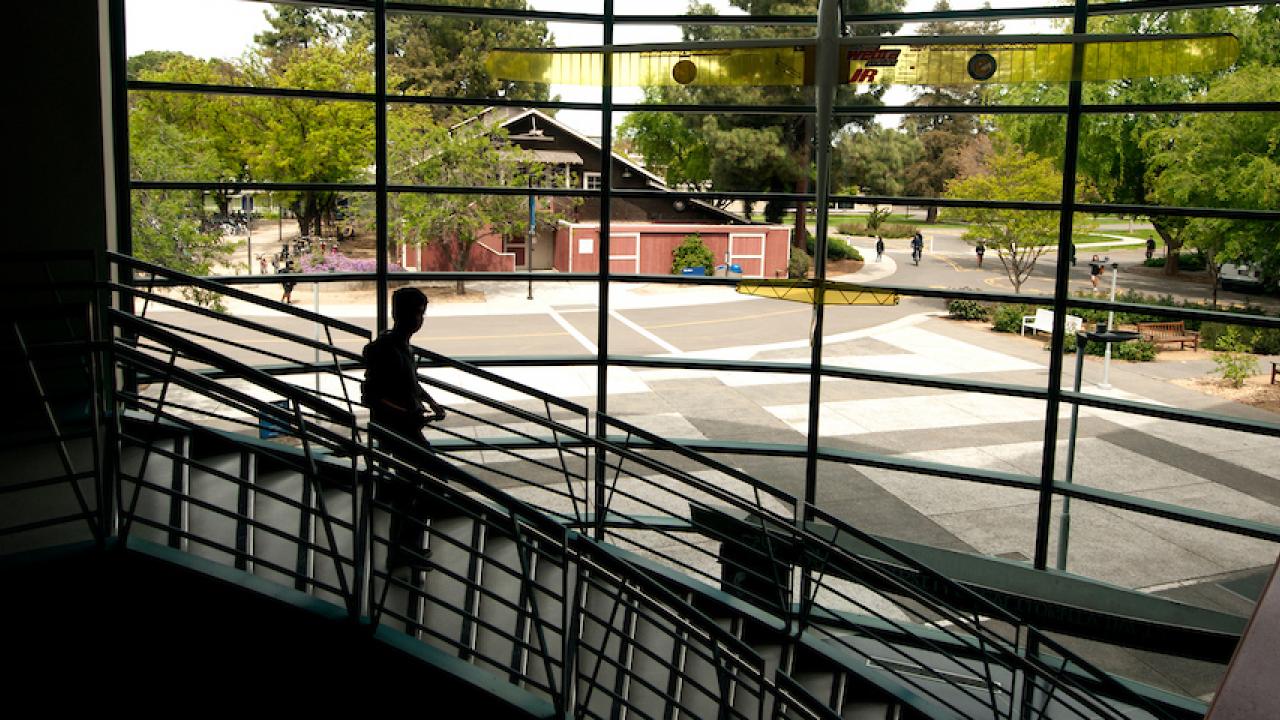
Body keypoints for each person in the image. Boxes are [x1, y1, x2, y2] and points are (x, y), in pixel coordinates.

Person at [363, 287, 449, 573]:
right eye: (417, 313)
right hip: (397, 431)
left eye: (421, 313)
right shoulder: (388, 349)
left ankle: (405, 547)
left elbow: (410, 383)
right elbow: (372, 396)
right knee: (426, 480)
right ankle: (402, 549)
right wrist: (409, 412)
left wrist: (431, 402)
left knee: (412, 486)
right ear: (403, 315)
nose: (420, 319)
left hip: (405, 428)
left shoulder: (399, 345)